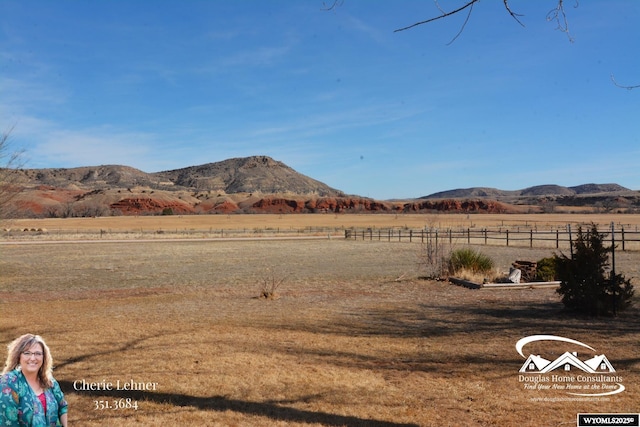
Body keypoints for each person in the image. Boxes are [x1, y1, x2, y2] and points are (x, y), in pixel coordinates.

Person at [0, 334, 68, 426]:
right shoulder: (8, 382)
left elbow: (63, 406)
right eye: (27, 353)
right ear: (18, 356)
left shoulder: (49, 381)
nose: (33, 358)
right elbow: (8, 422)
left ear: (44, 358)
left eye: (38, 353)